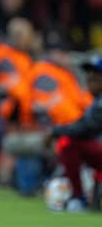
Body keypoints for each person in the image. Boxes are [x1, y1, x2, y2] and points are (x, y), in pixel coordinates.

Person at [44, 56, 102, 211]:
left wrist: (55, 131)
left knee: (68, 142)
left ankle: (78, 196)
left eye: (94, 79)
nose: (89, 82)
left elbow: (86, 128)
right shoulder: (95, 102)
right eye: (88, 78)